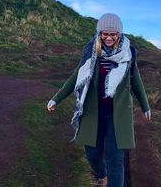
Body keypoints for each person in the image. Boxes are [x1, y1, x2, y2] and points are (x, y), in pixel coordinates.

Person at [47, 13, 151, 187]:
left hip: (118, 114)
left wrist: (145, 106)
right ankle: (102, 175)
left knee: (116, 159)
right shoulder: (90, 50)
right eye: (105, 33)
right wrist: (56, 99)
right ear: (99, 33)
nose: (109, 38)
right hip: (92, 112)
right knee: (93, 156)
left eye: (113, 34)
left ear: (119, 34)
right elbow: (76, 76)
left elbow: (135, 80)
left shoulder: (129, 53)